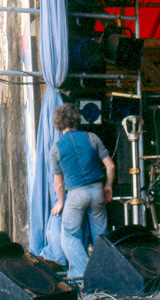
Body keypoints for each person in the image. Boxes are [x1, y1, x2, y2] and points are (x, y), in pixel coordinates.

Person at [50, 103, 115, 280]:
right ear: (76, 120)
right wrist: (108, 187)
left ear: (58, 123)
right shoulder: (91, 137)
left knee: (70, 235)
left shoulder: (56, 148)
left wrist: (61, 202)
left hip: (76, 194)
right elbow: (110, 166)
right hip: (97, 190)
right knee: (101, 235)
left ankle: (84, 273)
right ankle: (105, 274)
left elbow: (59, 183)